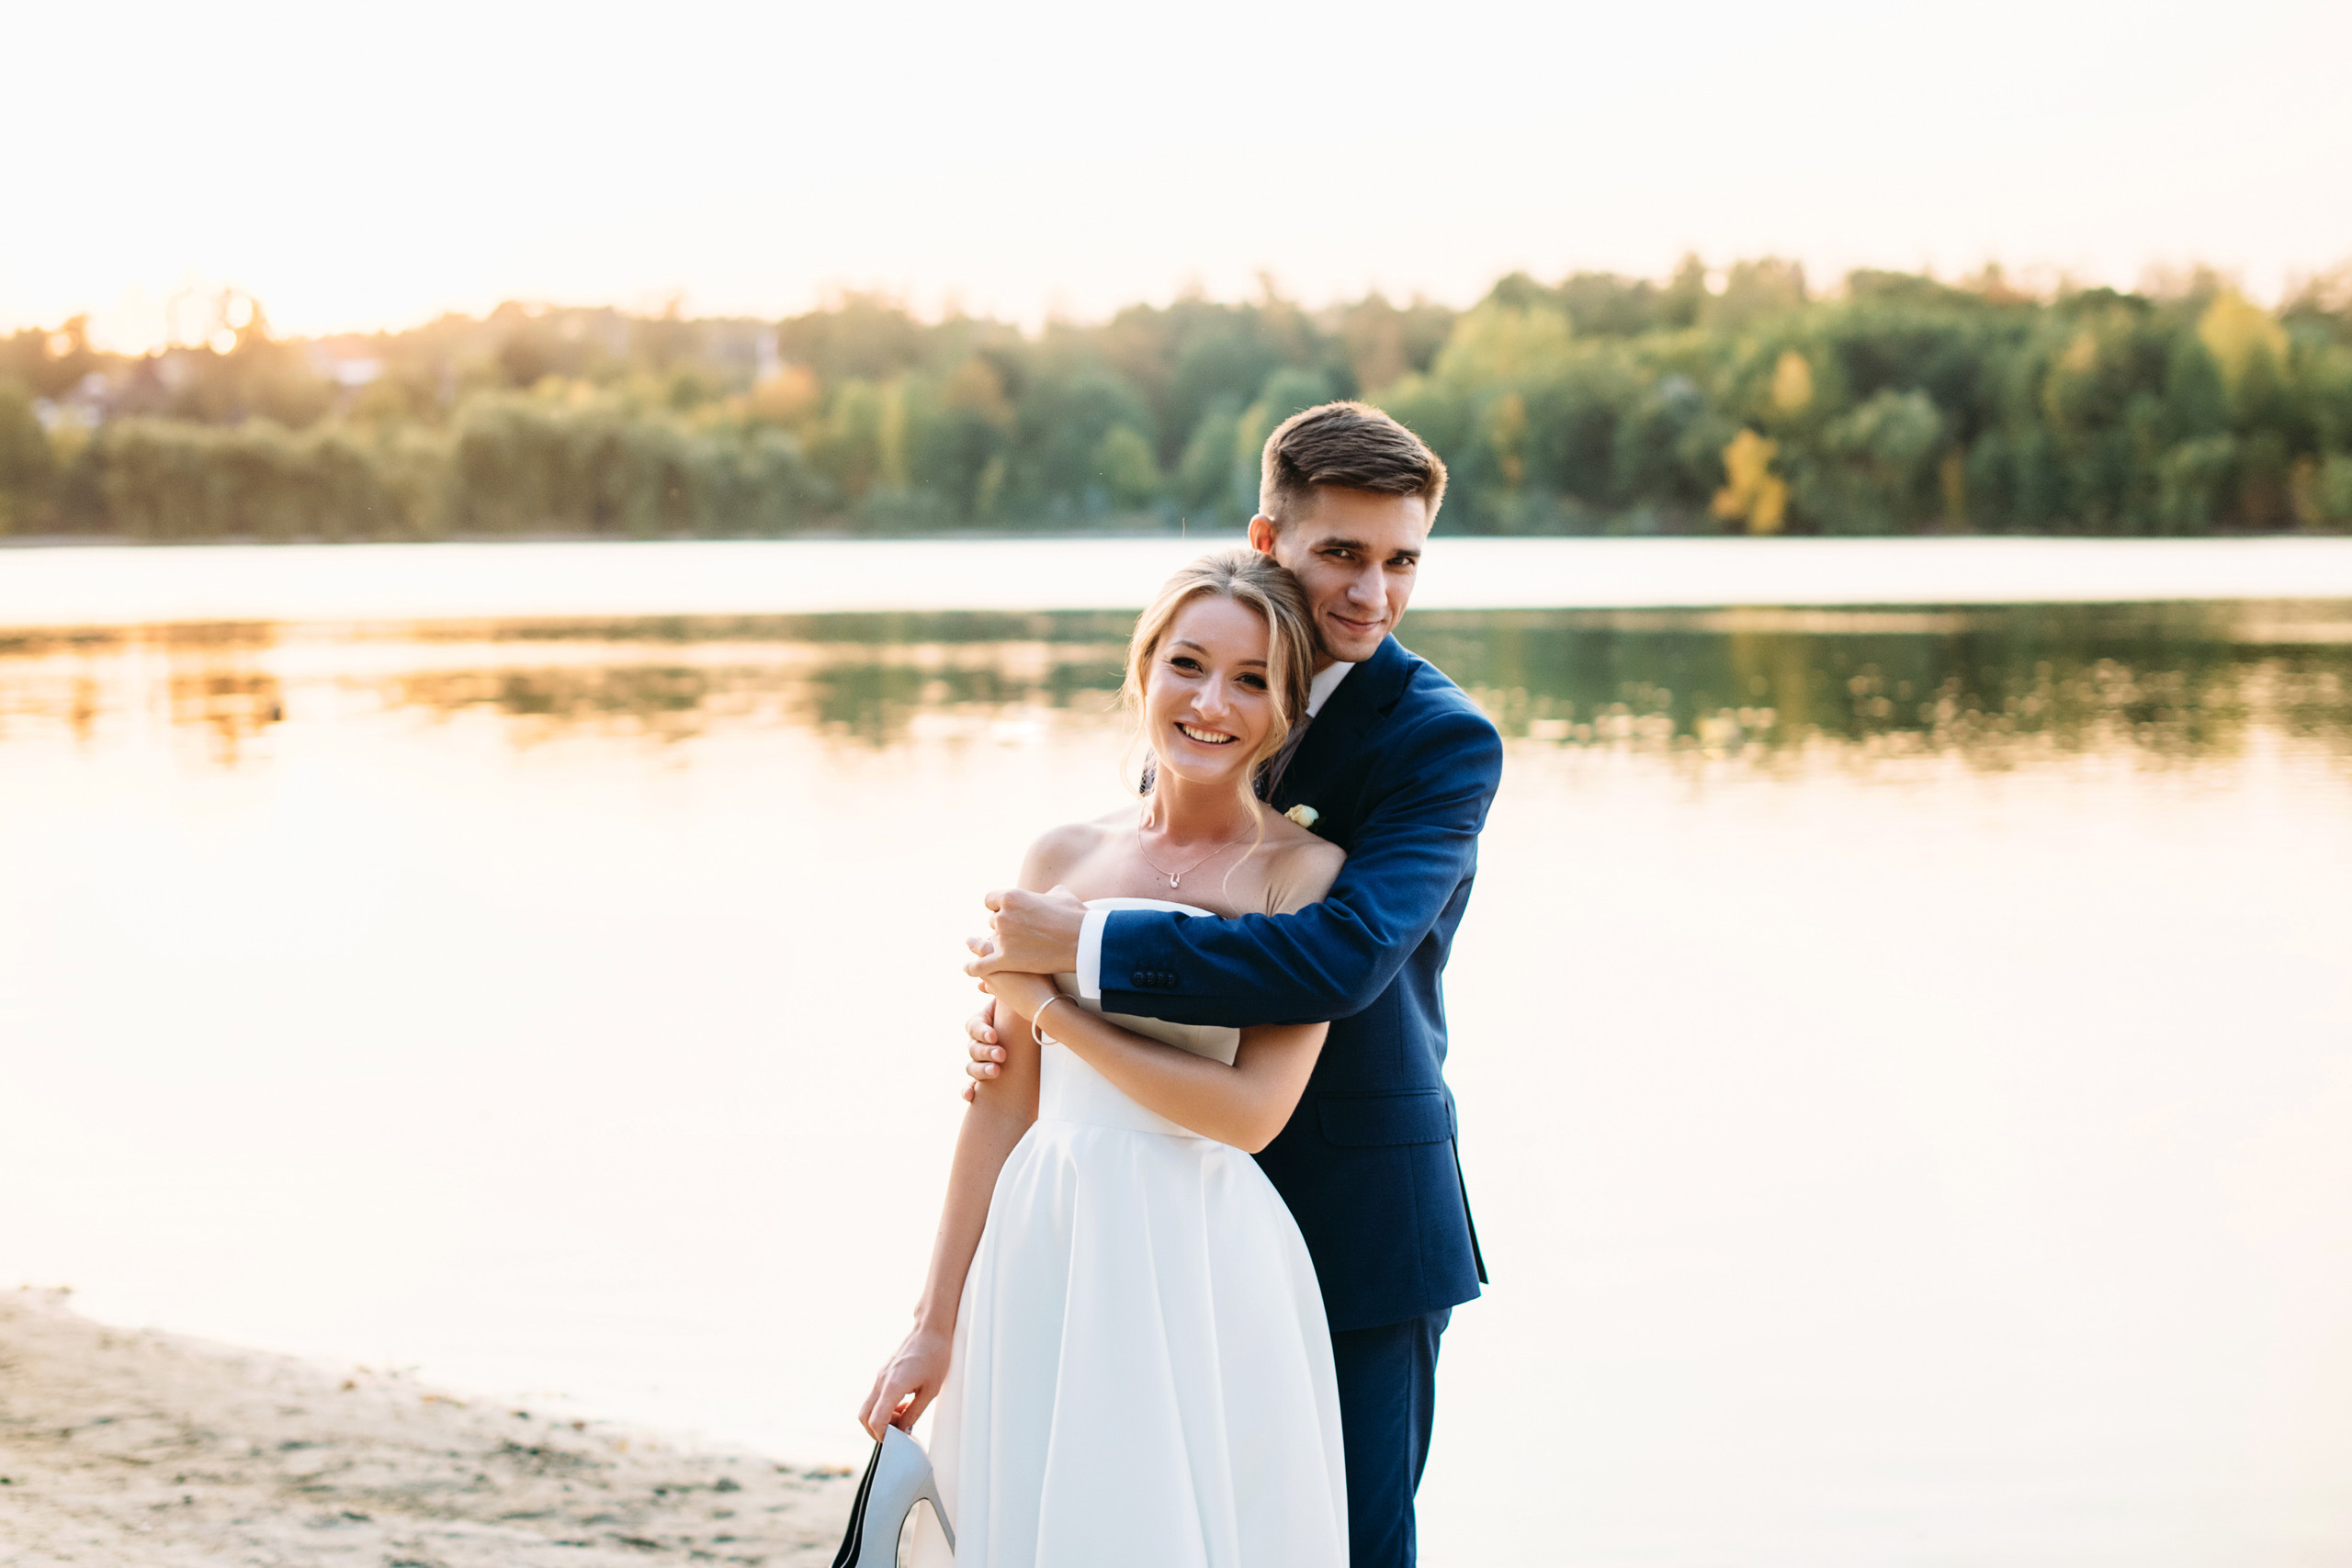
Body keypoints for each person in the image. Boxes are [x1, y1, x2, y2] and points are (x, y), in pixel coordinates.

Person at [966, 401, 1502, 1568]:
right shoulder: (1214, 686)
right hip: (1158, 1216)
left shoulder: (1440, 741)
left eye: (1402, 560)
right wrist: (1034, 1022)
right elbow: (1161, 863)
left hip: (1353, 1212)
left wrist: (1078, 955)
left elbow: (1341, 958)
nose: (1373, 593)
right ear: (1270, 541)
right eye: (1341, 555)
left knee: (1343, 1544)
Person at [860, 549, 1353, 1566]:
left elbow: (1250, 1115)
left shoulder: (1302, 878)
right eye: (1187, 664)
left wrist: (1053, 1013)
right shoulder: (1059, 858)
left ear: (1286, 710)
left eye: (1252, 679)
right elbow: (997, 1110)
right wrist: (932, 1322)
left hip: (1201, 1250)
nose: (1212, 701)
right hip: (1046, 1236)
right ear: (1142, 673)